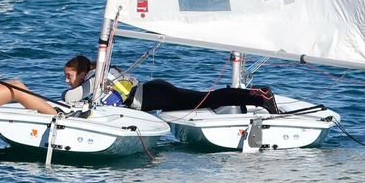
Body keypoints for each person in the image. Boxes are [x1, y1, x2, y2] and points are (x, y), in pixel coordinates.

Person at [59, 55, 281, 114]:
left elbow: (71, 98)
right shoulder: (100, 73)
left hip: (155, 96)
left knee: (208, 99)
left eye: (69, 76)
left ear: (81, 73)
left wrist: (67, 94)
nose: (67, 81)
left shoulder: (93, 77)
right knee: (207, 100)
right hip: (155, 93)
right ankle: (255, 95)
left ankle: (259, 95)